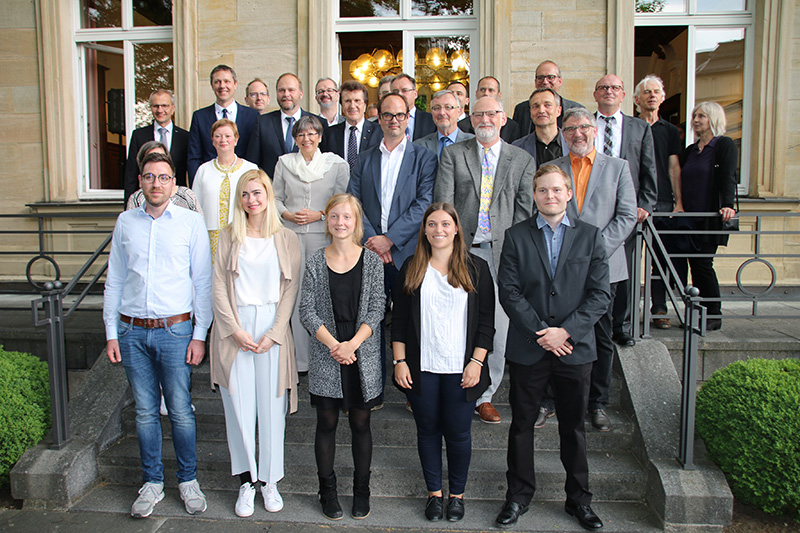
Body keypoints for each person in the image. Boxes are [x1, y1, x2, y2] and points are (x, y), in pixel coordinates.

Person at [495, 164, 610, 531]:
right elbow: (509, 290)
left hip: (574, 349)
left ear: (568, 193)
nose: (550, 196)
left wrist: (566, 332)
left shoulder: (591, 237)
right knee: (522, 426)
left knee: (573, 427)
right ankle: (517, 497)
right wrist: (544, 331)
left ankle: (579, 501)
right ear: (534, 195)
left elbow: (600, 295)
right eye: (543, 190)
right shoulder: (515, 236)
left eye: (557, 190)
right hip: (530, 346)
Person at [103, 151, 212, 519]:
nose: (156, 183)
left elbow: (202, 281)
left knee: (180, 411)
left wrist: (200, 334)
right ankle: (151, 483)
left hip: (176, 330)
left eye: (163, 177)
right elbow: (115, 279)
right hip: (131, 331)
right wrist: (110, 332)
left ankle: (188, 481)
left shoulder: (190, 223)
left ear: (174, 184)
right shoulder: (125, 222)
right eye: (149, 177)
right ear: (140, 182)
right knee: (146, 413)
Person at [434, 95, 535, 424]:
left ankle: (486, 395)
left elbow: (524, 213)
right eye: (478, 114)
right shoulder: (453, 155)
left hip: (503, 255)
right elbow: (443, 207)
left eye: (491, 113)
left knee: (499, 327)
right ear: (470, 119)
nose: (485, 119)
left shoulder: (521, 159)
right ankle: (455, 387)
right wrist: (447, 252)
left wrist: (515, 254)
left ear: (503, 118)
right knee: (456, 323)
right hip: (463, 253)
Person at [392, 203, 494, 523]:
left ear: (456, 229)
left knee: (459, 433)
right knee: (427, 431)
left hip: (462, 369)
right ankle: (434, 494)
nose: (439, 230)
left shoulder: (477, 268)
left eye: (445, 224)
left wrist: (477, 362)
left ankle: (457, 496)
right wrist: (400, 361)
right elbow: (399, 322)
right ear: (424, 230)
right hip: (422, 368)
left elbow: (487, 324)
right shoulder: (411, 266)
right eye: (432, 224)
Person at [210, 169, 301, 518]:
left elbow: (290, 289)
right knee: (239, 408)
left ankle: (270, 480)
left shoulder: (287, 238)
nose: (252, 199)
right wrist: (234, 330)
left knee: (272, 409)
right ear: (240, 200)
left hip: (272, 330)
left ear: (268, 195)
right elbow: (219, 286)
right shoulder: (229, 237)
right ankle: (247, 481)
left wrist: (275, 332)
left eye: (258, 192)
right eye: (245, 194)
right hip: (237, 330)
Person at [549, 107, 637, 432]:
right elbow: (544, 211)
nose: (578, 134)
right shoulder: (552, 168)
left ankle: (598, 404)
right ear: (563, 133)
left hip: (604, 267)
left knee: (601, 337)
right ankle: (551, 400)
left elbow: (627, 216)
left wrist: (594, 252)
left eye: (584, 127)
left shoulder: (617, 168)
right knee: (555, 331)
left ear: (595, 130)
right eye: (570, 129)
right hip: (559, 267)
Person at [299, 194, 386, 521]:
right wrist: (335, 345)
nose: (340, 223)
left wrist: (352, 345)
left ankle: (362, 491)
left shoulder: (373, 261)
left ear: (356, 222)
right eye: (334, 216)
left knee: (361, 422)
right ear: (327, 220)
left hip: (362, 353)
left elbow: (378, 308)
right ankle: (328, 490)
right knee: (327, 422)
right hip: (327, 351)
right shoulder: (314, 261)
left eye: (346, 217)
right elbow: (306, 310)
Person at [273, 115, 349, 373]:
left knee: (322, 296)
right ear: (295, 138)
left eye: (311, 133)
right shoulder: (284, 163)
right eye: (301, 134)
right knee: (294, 296)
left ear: (320, 136)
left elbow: (342, 201)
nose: (306, 139)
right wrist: (287, 215)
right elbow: (274, 198)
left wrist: (321, 214)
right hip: (290, 236)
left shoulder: (336, 164)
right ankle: (301, 361)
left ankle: (327, 356)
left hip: (323, 238)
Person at [592, 73, 658, 347]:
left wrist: (645, 204)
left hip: (627, 211)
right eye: (604, 87)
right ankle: (594, 321)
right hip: (594, 207)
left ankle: (623, 325)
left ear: (623, 95)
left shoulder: (639, 128)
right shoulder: (584, 124)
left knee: (626, 271)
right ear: (596, 94)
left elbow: (650, 169)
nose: (609, 91)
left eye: (615, 87)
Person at [676, 101, 737, 331]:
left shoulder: (723, 145)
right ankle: (697, 312)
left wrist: (728, 204)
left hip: (710, 216)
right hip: (689, 217)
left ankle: (714, 314)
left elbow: (728, 177)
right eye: (694, 115)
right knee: (693, 265)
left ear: (713, 119)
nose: (696, 120)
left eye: (701, 116)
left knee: (703, 265)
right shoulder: (692, 150)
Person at [633, 75, 684, 329]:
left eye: (656, 92)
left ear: (662, 98)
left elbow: (674, 167)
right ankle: (629, 308)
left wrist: (678, 202)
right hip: (632, 201)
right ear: (636, 100)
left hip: (663, 202)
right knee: (631, 259)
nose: (651, 95)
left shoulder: (670, 131)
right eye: (646, 92)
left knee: (660, 260)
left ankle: (659, 309)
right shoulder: (630, 127)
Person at [191, 119, 258, 260]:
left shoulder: (250, 169)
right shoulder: (203, 170)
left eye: (228, 136)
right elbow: (195, 207)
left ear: (236, 139)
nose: (223, 140)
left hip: (243, 234)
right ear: (212, 140)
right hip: (210, 238)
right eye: (218, 136)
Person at [188, 65, 259, 184]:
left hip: (244, 182)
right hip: (210, 182)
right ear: (212, 85)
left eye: (227, 81)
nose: (222, 86)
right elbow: (194, 157)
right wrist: (197, 187)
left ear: (235, 84)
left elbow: (255, 154)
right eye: (217, 82)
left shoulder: (252, 116)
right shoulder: (199, 117)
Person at [247, 73, 320, 178]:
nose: (286, 94)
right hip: (272, 190)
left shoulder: (317, 122)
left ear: (301, 94)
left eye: (291, 90)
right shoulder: (262, 123)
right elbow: (252, 164)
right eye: (282, 90)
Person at [124, 89, 189, 202]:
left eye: (164, 106)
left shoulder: (185, 137)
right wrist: (129, 207)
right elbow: (131, 175)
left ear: (173, 108)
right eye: (156, 106)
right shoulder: (138, 136)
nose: (160, 110)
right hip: (146, 201)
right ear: (150, 108)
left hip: (176, 201)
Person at [321, 80, 383, 170]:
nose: (352, 106)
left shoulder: (379, 132)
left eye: (357, 101)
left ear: (365, 105)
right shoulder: (329, 134)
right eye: (348, 101)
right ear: (342, 105)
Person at [126, 141, 202, 214]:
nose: (157, 161)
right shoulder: (137, 198)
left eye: (161, 157)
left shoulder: (186, 195)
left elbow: (199, 222)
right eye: (150, 158)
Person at [512, 60, 584, 133]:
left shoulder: (577, 109)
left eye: (551, 77)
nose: (545, 82)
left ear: (560, 81)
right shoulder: (521, 110)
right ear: (535, 82)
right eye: (540, 78)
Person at [512, 88, 566, 168]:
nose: (541, 110)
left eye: (548, 105)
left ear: (558, 111)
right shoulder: (517, 147)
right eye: (536, 106)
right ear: (530, 112)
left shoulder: (571, 144)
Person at [414, 89, 474, 160]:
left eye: (448, 107)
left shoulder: (473, 143)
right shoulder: (419, 145)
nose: (442, 112)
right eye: (437, 108)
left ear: (459, 111)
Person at [457, 77, 521, 143]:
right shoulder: (461, 126)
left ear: (499, 95)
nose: (486, 93)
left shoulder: (512, 127)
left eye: (491, 90)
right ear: (476, 93)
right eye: (482, 89)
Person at [390, 74, 436, 140]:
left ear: (415, 94)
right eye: (395, 91)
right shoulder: (383, 121)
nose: (399, 94)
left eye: (404, 90)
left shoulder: (431, 120)